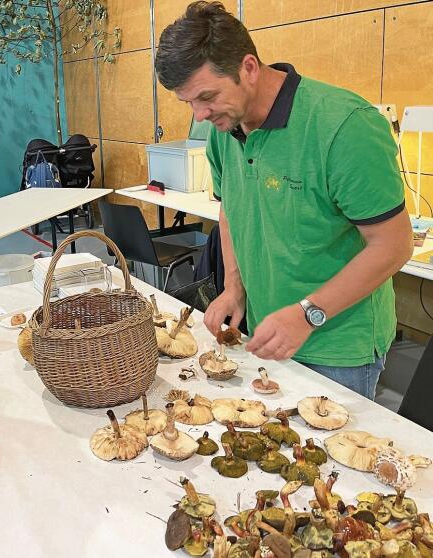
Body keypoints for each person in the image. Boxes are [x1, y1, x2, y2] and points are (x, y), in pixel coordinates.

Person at [155, 1, 413, 399]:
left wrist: (308, 314)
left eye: (207, 96)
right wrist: (235, 289)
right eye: (187, 102)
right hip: (265, 332)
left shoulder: (344, 126)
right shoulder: (225, 132)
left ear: (249, 68)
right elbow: (231, 212)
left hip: (337, 347)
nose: (200, 114)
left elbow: (394, 245)